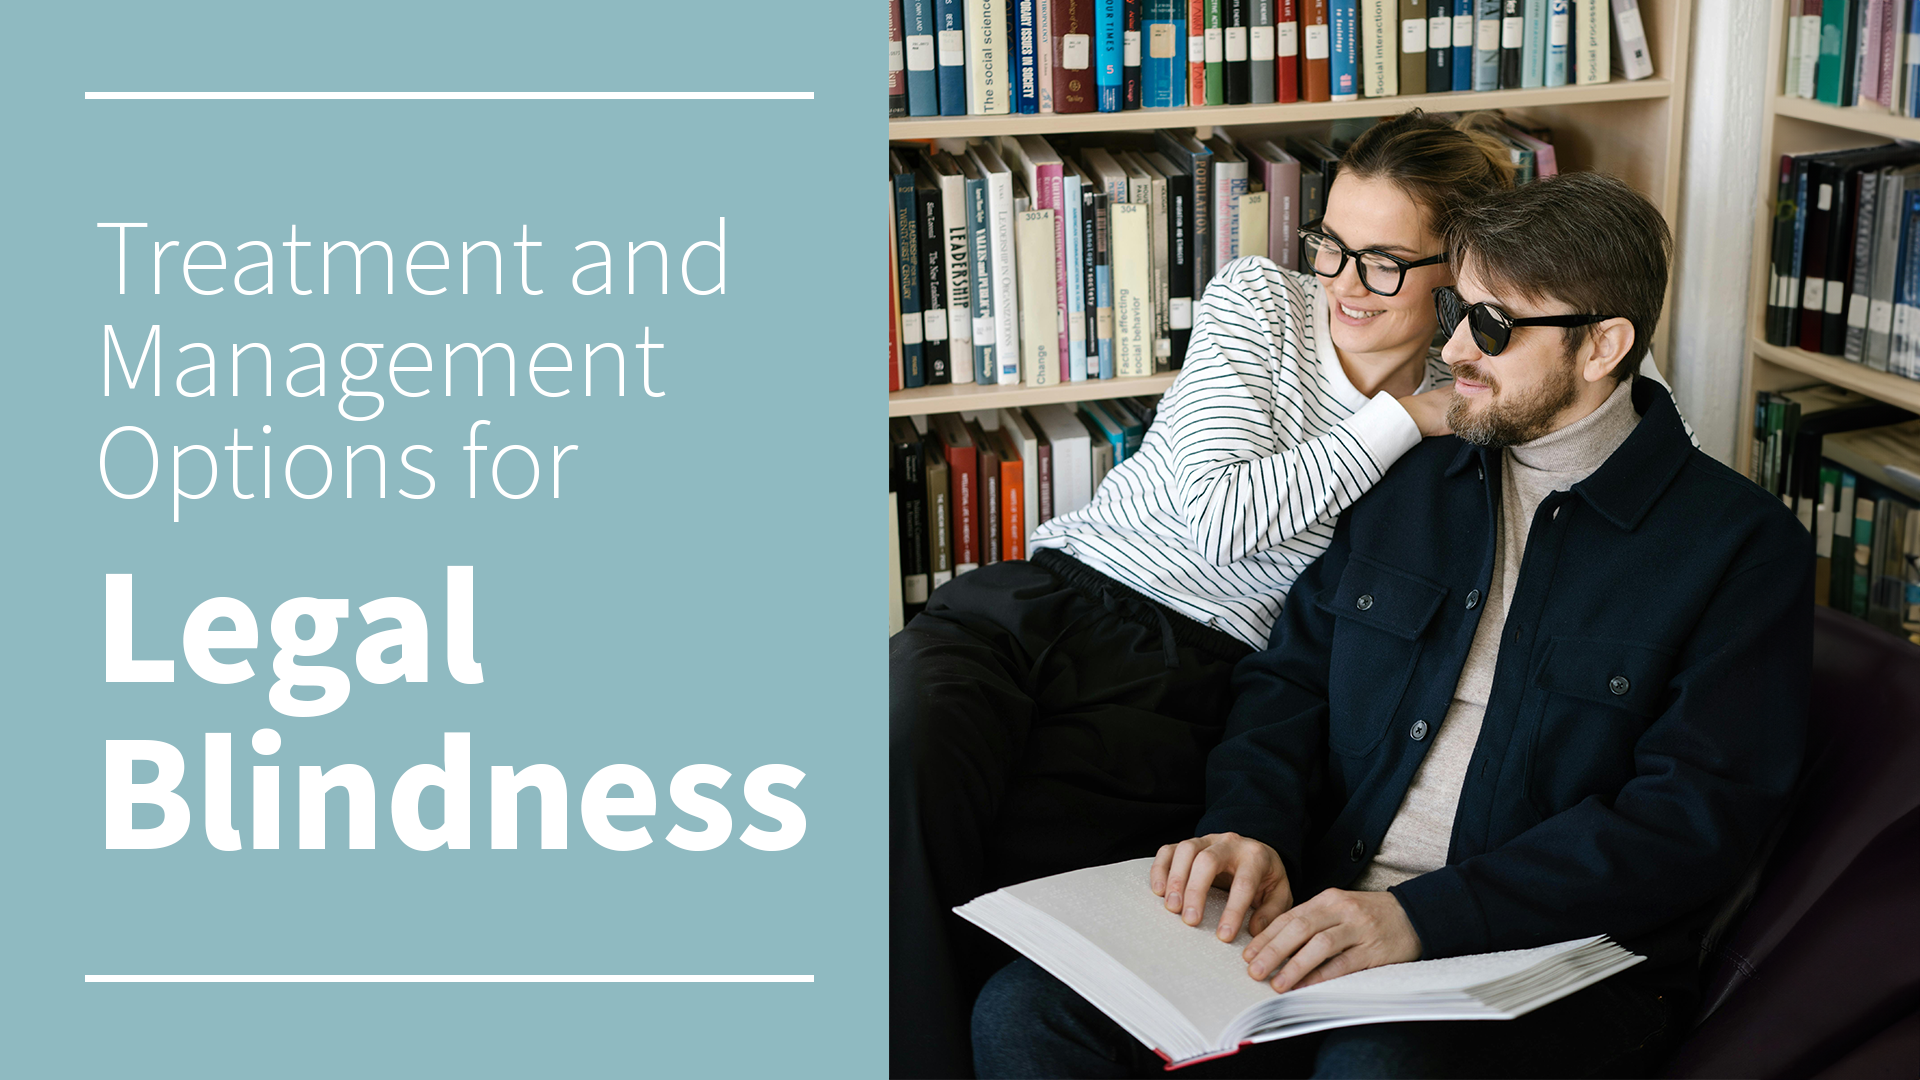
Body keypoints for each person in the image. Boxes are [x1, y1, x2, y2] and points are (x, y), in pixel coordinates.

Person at [891, 109, 1692, 1077]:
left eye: (1386, 261)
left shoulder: (1480, 375)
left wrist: (1521, 352)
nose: (1347, 286)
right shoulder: (1265, 304)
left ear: (1466, 271)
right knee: (900, 759)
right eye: (1334, 247)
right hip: (1054, 595)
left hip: (1197, 664)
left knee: (1026, 881)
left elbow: (1620, 389)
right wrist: (1403, 418)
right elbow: (1216, 520)